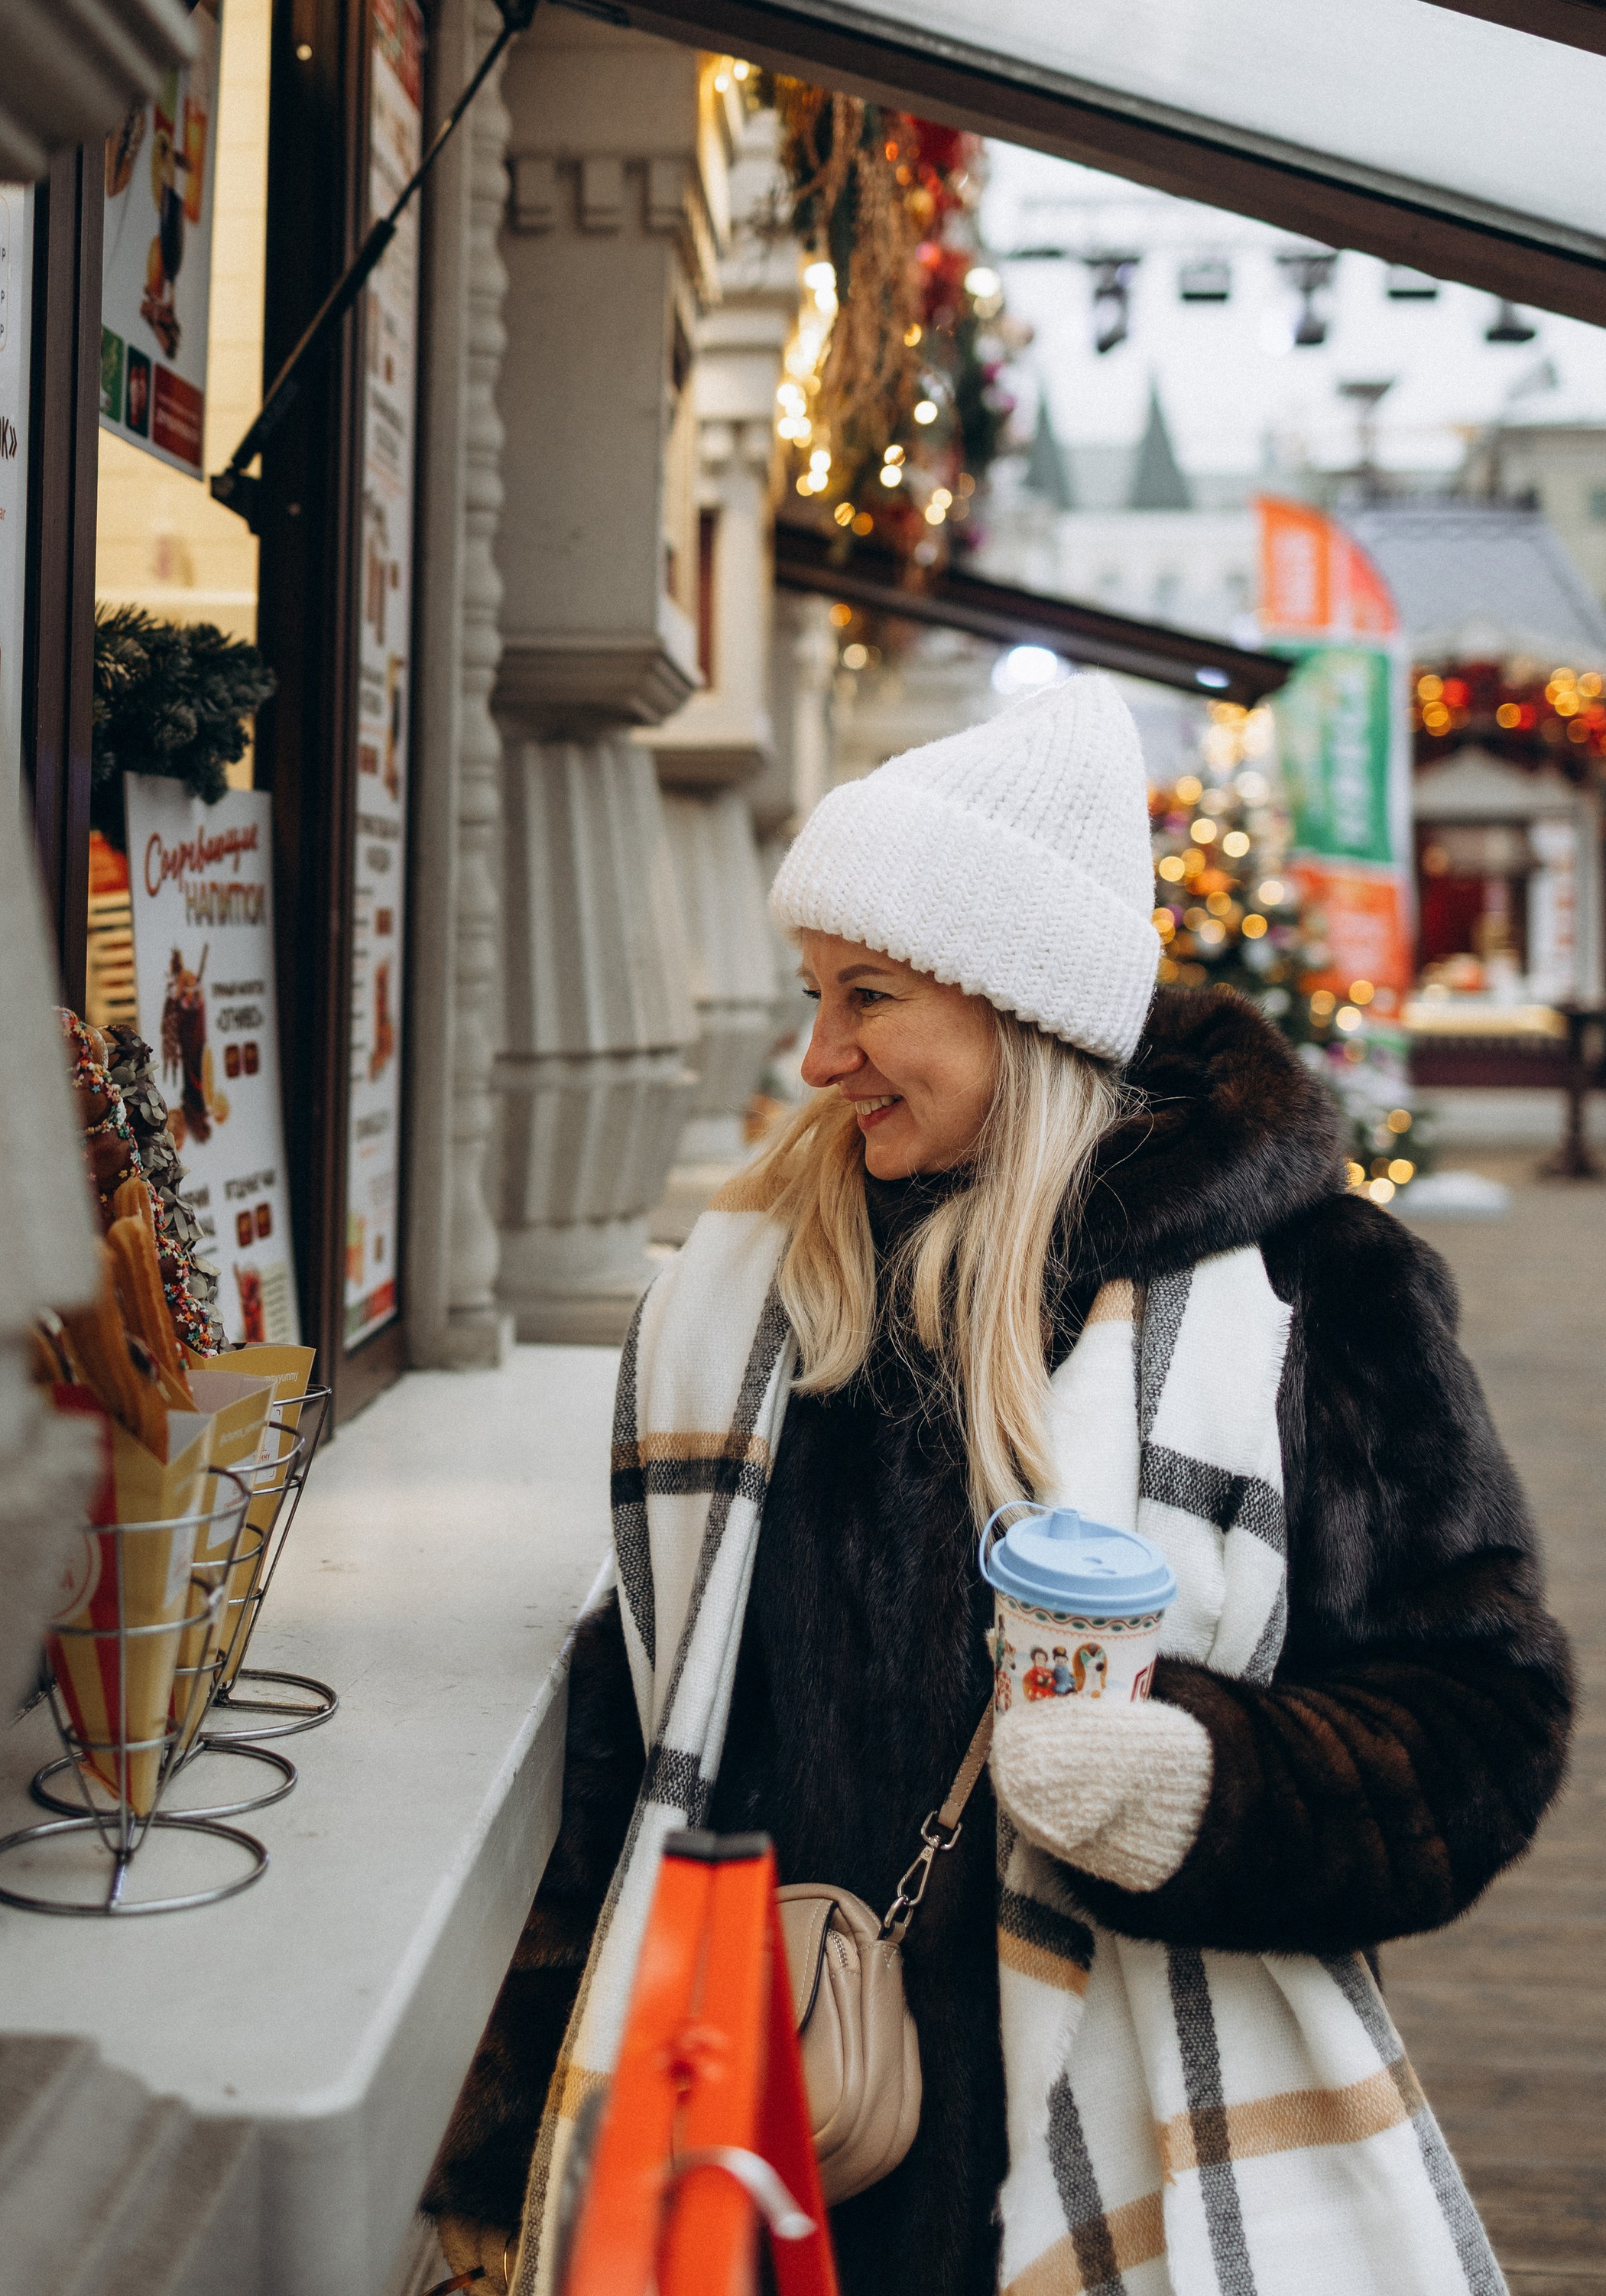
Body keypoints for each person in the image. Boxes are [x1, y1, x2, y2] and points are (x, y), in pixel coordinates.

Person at [426, 677, 1569, 2296]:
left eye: (867, 996)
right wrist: (500, 2152)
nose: (816, 1056)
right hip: (752, 2138)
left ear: (1016, 1002)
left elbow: (1476, 1727)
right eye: (812, 993)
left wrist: (1192, 1781)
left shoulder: (1312, 1298)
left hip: (1116, 2167)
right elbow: (628, 1733)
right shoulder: (748, 1295)